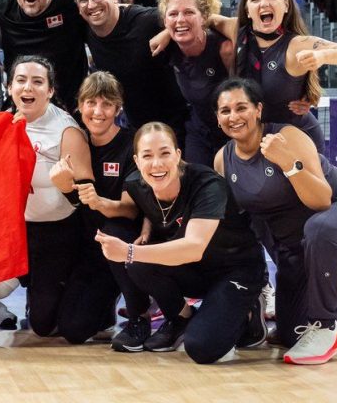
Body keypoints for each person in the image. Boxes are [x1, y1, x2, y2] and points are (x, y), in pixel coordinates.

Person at [215, 78, 337, 365]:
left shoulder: (288, 137)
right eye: (225, 111)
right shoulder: (223, 161)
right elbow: (246, 223)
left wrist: (288, 163)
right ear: (217, 118)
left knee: (321, 227)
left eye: (241, 107)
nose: (233, 116)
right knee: (293, 332)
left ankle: (327, 328)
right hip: (298, 244)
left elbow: (321, 200)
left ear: (258, 110)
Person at [94, 122, 268, 364]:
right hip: (193, 271)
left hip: (234, 269)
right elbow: (152, 209)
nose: (156, 164)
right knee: (138, 263)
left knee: (201, 348)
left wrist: (129, 251)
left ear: (177, 155)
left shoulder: (207, 185)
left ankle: (249, 315)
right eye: (147, 156)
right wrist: (145, 229)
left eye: (164, 153)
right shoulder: (136, 184)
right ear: (137, 160)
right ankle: (181, 319)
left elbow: (194, 247)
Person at [49, 71, 150, 352]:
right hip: (91, 249)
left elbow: (129, 211)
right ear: (79, 106)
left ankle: (139, 316)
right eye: (91, 103)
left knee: (112, 230)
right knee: (72, 330)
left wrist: (98, 202)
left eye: (107, 104)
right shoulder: (73, 142)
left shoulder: (132, 145)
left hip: (127, 242)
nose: (98, 111)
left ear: (118, 109)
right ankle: (105, 306)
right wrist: (65, 186)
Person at [9, 55, 96, 339]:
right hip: (18, 229)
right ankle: (32, 285)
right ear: (10, 87)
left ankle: (82, 294)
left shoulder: (66, 131)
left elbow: (89, 203)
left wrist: (66, 187)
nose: (28, 88)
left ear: (50, 91)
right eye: (21, 80)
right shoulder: (3, 122)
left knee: (44, 326)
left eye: (37, 82)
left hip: (56, 233)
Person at [232, 0, 337, 149]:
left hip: (297, 141)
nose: (264, 3)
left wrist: (323, 56)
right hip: (253, 141)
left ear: (286, 5)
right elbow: (206, 21)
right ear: (247, 10)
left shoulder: (297, 44)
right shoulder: (234, 34)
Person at [70, 0, 188, 136]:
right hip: (137, 129)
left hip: (178, 124)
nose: (91, 4)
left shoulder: (146, 20)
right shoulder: (85, 28)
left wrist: (170, 30)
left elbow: (202, 17)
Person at [155, 0, 233, 166]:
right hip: (198, 134)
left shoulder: (225, 49)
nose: (180, 20)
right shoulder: (165, 48)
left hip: (233, 134)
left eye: (189, 12)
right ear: (165, 22)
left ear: (205, 17)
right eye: (173, 14)